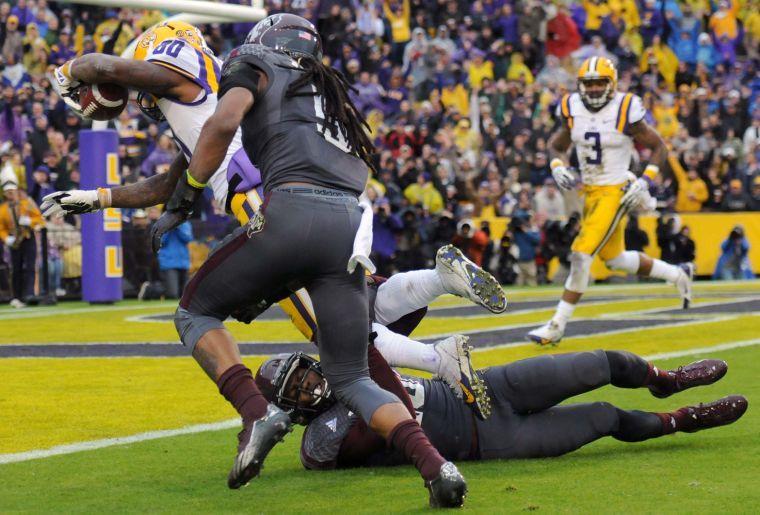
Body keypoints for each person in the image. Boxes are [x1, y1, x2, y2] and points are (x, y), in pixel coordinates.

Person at [147, 15, 468, 506]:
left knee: (194, 311)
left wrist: (187, 194)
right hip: (345, 224)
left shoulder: (252, 61)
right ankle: (435, 465)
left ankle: (255, 412)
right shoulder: (328, 93)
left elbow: (225, 120)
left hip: (292, 211)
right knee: (353, 378)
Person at [256, 348, 746, 468]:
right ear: (289, 409)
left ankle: (666, 381)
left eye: (307, 373)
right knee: (605, 417)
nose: (311, 384)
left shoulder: (348, 367)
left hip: (486, 389)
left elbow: (396, 320)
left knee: (596, 363)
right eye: (297, 389)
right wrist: (362, 347)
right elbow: (395, 412)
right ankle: (685, 420)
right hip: (488, 441)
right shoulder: (320, 442)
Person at [528, 57, 693, 346]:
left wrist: (644, 180)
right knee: (614, 259)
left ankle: (557, 324)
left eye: (599, 83)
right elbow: (557, 144)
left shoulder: (625, 107)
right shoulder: (572, 107)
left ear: (611, 83)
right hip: (590, 191)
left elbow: (659, 147)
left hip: (616, 189)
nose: (592, 89)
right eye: (588, 83)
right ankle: (679, 273)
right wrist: (556, 165)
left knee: (581, 254)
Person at [0, 179, 44, 307]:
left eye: (12, 191)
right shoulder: (2, 209)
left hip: (27, 237)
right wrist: (5, 238)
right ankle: (16, 296)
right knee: (16, 269)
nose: (10, 194)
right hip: (14, 241)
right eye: (8, 192)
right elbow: (1, 227)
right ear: (5, 194)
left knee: (30, 267)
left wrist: (30, 221)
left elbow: (40, 219)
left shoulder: (27, 203)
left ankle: (29, 294)